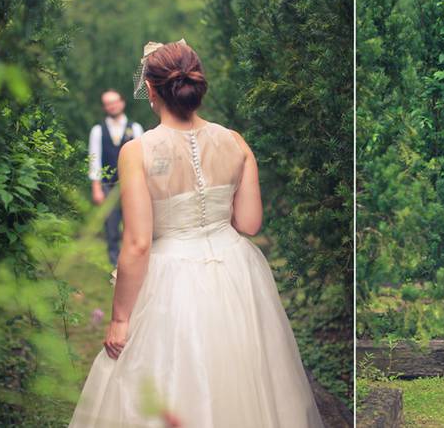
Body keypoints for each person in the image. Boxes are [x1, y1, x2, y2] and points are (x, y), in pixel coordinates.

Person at [70, 40, 325, 427]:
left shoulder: (138, 152)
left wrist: (120, 319)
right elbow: (250, 224)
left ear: (152, 90)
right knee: (245, 376)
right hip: (236, 270)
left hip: (171, 272)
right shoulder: (236, 142)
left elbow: (138, 243)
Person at [88, 89, 144, 266]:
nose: (112, 106)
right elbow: (94, 159)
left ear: (122, 102)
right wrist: (96, 188)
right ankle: (115, 266)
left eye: (114, 102)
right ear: (105, 107)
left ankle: (133, 263)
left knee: (132, 225)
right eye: (108, 103)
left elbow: (142, 159)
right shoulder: (98, 130)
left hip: (131, 185)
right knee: (111, 228)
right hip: (107, 185)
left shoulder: (135, 128)